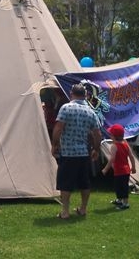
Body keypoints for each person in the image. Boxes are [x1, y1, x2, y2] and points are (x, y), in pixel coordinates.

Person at [51, 83, 102, 219]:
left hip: (68, 152)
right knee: (84, 182)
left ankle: (65, 211)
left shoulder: (66, 108)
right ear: (85, 96)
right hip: (83, 153)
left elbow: (58, 127)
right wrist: (96, 149)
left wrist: (55, 144)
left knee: (65, 183)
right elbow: (97, 133)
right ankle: (83, 209)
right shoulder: (90, 111)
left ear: (71, 93)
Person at [101, 124, 136, 210]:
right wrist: (134, 167)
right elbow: (131, 156)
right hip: (126, 170)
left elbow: (112, 159)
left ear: (113, 136)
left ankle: (125, 203)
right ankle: (119, 200)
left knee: (122, 187)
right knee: (120, 186)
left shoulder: (114, 146)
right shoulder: (125, 144)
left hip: (120, 171)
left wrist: (105, 169)